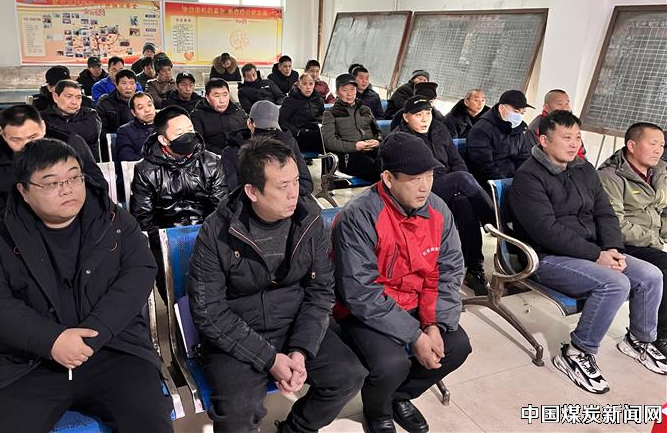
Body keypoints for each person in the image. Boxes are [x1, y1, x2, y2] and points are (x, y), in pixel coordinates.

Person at [0, 139, 173, 432]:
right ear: (23, 190)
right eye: (52, 183)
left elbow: (139, 272)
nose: (67, 189)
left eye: (74, 177)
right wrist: (51, 340)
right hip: (29, 362)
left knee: (150, 421)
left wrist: (94, 334)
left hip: (113, 351)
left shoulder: (112, 220)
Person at [187, 137, 366, 433]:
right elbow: (208, 311)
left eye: (295, 181)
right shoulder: (218, 231)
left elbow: (321, 291)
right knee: (238, 410)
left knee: (348, 375)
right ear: (252, 191)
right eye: (282, 186)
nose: (294, 193)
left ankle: (296, 428)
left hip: (292, 322)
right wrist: (269, 358)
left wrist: (301, 350)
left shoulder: (308, 219)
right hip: (238, 331)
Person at [509, 111, 666, 393]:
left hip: (591, 249)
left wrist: (612, 248)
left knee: (651, 275)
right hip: (548, 257)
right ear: (544, 140)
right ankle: (577, 352)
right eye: (566, 137)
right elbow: (546, 231)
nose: (574, 144)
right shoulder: (528, 177)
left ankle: (639, 340)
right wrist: (596, 255)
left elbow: (605, 213)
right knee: (615, 283)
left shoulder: (584, 169)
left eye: (577, 137)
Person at [332, 132, 472, 433]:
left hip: (417, 301)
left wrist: (433, 324)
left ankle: (400, 396)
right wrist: (414, 335)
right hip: (366, 309)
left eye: (429, 175)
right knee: (391, 363)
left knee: (457, 346)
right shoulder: (359, 216)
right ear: (388, 178)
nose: (425, 186)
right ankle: (377, 409)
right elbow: (360, 291)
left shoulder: (438, 210)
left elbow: (448, 271)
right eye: (414, 178)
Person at [394, 95, 495, 295]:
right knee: (462, 178)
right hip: (418, 190)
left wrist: (456, 182)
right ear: (406, 117)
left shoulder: (439, 130)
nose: (425, 119)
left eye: (428, 113)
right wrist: (457, 179)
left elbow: (456, 160)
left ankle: (474, 267)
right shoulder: (400, 139)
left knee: (465, 203)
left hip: (446, 184)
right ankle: (496, 224)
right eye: (418, 115)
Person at [130, 106, 228, 299]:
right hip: (164, 238)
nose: (188, 136)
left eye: (190, 130)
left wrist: (204, 237)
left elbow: (220, 207)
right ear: (163, 140)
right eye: (180, 133)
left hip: (206, 233)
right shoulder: (146, 170)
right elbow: (143, 217)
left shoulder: (211, 162)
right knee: (174, 289)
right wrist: (170, 242)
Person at [0, 104, 103, 229]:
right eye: (16, 140)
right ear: (3, 135)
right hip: (19, 234)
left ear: (43, 127)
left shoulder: (71, 143)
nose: (25, 145)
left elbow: (98, 187)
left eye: (33, 137)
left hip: (75, 226)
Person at [598, 122, 667, 356]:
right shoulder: (611, 176)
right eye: (653, 144)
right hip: (623, 244)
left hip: (652, 239)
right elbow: (614, 225)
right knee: (664, 267)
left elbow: (662, 212)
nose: (658, 150)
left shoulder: (659, 172)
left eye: (662, 145)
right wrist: (655, 239)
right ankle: (659, 336)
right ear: (631, 145)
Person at [223, 101, 313, 197]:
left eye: (272, 129)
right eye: (262, 129)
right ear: (249, 123)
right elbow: (235, 191)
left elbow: (306, 183)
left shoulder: (287, 143)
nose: (267, 133)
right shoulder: (233, 151)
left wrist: (286, 194)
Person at [322, 74, 382, 184]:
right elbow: (329, 142)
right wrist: (354, 146)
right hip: (349, 157)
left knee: (396, 163)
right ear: (337, 92)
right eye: (344, 90)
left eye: (352, 89)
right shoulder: (330, 114)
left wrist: (377, 141)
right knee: (379, 170)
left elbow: (378, 133)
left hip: (372, 150)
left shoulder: (365, 110)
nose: (349, 94)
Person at [466, 90, 533, 187]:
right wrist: (506, 184)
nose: (519, 116)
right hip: (489, 184)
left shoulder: (519, 129)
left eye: (522, 113)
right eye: (515, 111)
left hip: (513, 181)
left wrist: (524, 179)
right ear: (501, 108)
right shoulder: (481, 130)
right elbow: (484, 167)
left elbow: (524, 158)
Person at [41, 80, 102, 161]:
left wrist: (51, 128)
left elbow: (89, 134)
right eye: (69, 96)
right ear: (55, 97)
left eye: (78, 97)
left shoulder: (90, 115)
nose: (74, 102)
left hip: (85, 164)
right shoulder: (43, 117)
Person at [190, 78, 248, 155]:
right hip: (212, 158)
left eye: (225, 95)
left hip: (242, 155)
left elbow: (249, 137)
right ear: (207, 97)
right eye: (217, 96)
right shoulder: (197, 116)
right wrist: (222, 154)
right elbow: (198, 143)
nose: (222, 100)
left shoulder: (239, 112)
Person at [528, 89, 586, 158]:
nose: (565, 108)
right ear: (546, 107)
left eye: (567, 104)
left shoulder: (570, 124)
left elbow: (582, 152)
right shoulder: (537, 127)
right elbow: (541, 156)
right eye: (560, 104)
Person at [278, 73, 325, 154]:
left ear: (314, 85)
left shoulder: (318, 99)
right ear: (299, 85)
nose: (308, 87)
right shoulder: (290, 100)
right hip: (299, 135)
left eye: (311, 84)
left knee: (330, 136)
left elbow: (323, 116)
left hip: (316, 131)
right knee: (325, 139)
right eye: (304, 84)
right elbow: (282, 120)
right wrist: (297, 132)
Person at [96, 69, 139, 136]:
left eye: (132, 83)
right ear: (116, 85)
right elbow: (101, 130)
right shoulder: (105, 103)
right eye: (124, 83)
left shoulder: (142, 101)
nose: (128, 87)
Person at [116, 92, 156, 162]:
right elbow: (126, 155)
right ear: (133, 112)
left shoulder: (167, 124)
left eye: (149, 105)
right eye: (140, 107)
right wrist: (150, 162)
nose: (147, 110)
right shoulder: (125, 131)